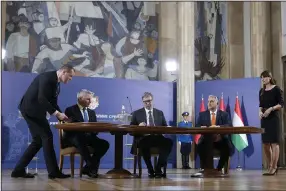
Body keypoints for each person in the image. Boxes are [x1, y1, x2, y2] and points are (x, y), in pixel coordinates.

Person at [11, 65, 75, 179]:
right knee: (47, 137)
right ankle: (53, 172)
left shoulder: (56, 83)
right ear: (63, 72)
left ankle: (18, 170)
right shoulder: (47, 77)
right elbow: (42, 98)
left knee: (38, 141)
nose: (71, 79)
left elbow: (53, 103)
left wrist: (62, 116)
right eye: (70, 76)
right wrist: (56, 114)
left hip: (33, 110)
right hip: (31, 109)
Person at [64, 89, 110, 178]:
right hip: (73, 137)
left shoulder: (91, 112)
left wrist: (94, 131)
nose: (90, 101)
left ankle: (88, 167)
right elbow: (70, 127)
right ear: (80, 99)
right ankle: (91, 166)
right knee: (80, 138)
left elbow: (95, 128)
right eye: (88, 99)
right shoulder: (70, 110)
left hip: (89, 137)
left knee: (104, 144)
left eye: (91, 99)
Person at [130, 92, 173, 178]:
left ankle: (158, 168)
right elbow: (131, 130)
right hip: (144, 137)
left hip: (158, 137)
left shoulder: (159, 113)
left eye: (149, 101)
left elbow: (165, 127)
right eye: (145, 101)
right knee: (144, 144)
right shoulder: (136, 113)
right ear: (143, 102)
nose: (147, 103)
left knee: (169, 142)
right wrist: (138, 127)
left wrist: (168, 127)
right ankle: (150, 169)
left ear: (152, 100)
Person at [195, 95, 233, 176]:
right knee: (199, 146)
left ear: (217, 103)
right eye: (208, 101)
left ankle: (218, 169)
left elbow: (229, 125)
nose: (209, 103)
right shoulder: (202, 114)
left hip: (220, 140)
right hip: (206, 140)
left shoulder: (224, 114)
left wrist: (218, 127)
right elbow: (197, 126)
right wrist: (202, 127)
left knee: (227, 146)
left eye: (211, 101)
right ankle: (206, 168)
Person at [259, 70, 284, 176]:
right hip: (264, 118)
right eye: (262, 78)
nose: (263, 79)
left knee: (274, 143)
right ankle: (270, 165)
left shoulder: (277, 89)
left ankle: (274, 167)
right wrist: (259, 111)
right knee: (265, 144)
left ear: (269, 77)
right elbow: (260, 104)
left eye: (264, 77)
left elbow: (281, 104)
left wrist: (271, 109)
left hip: (273, 117)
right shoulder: (261, 91)